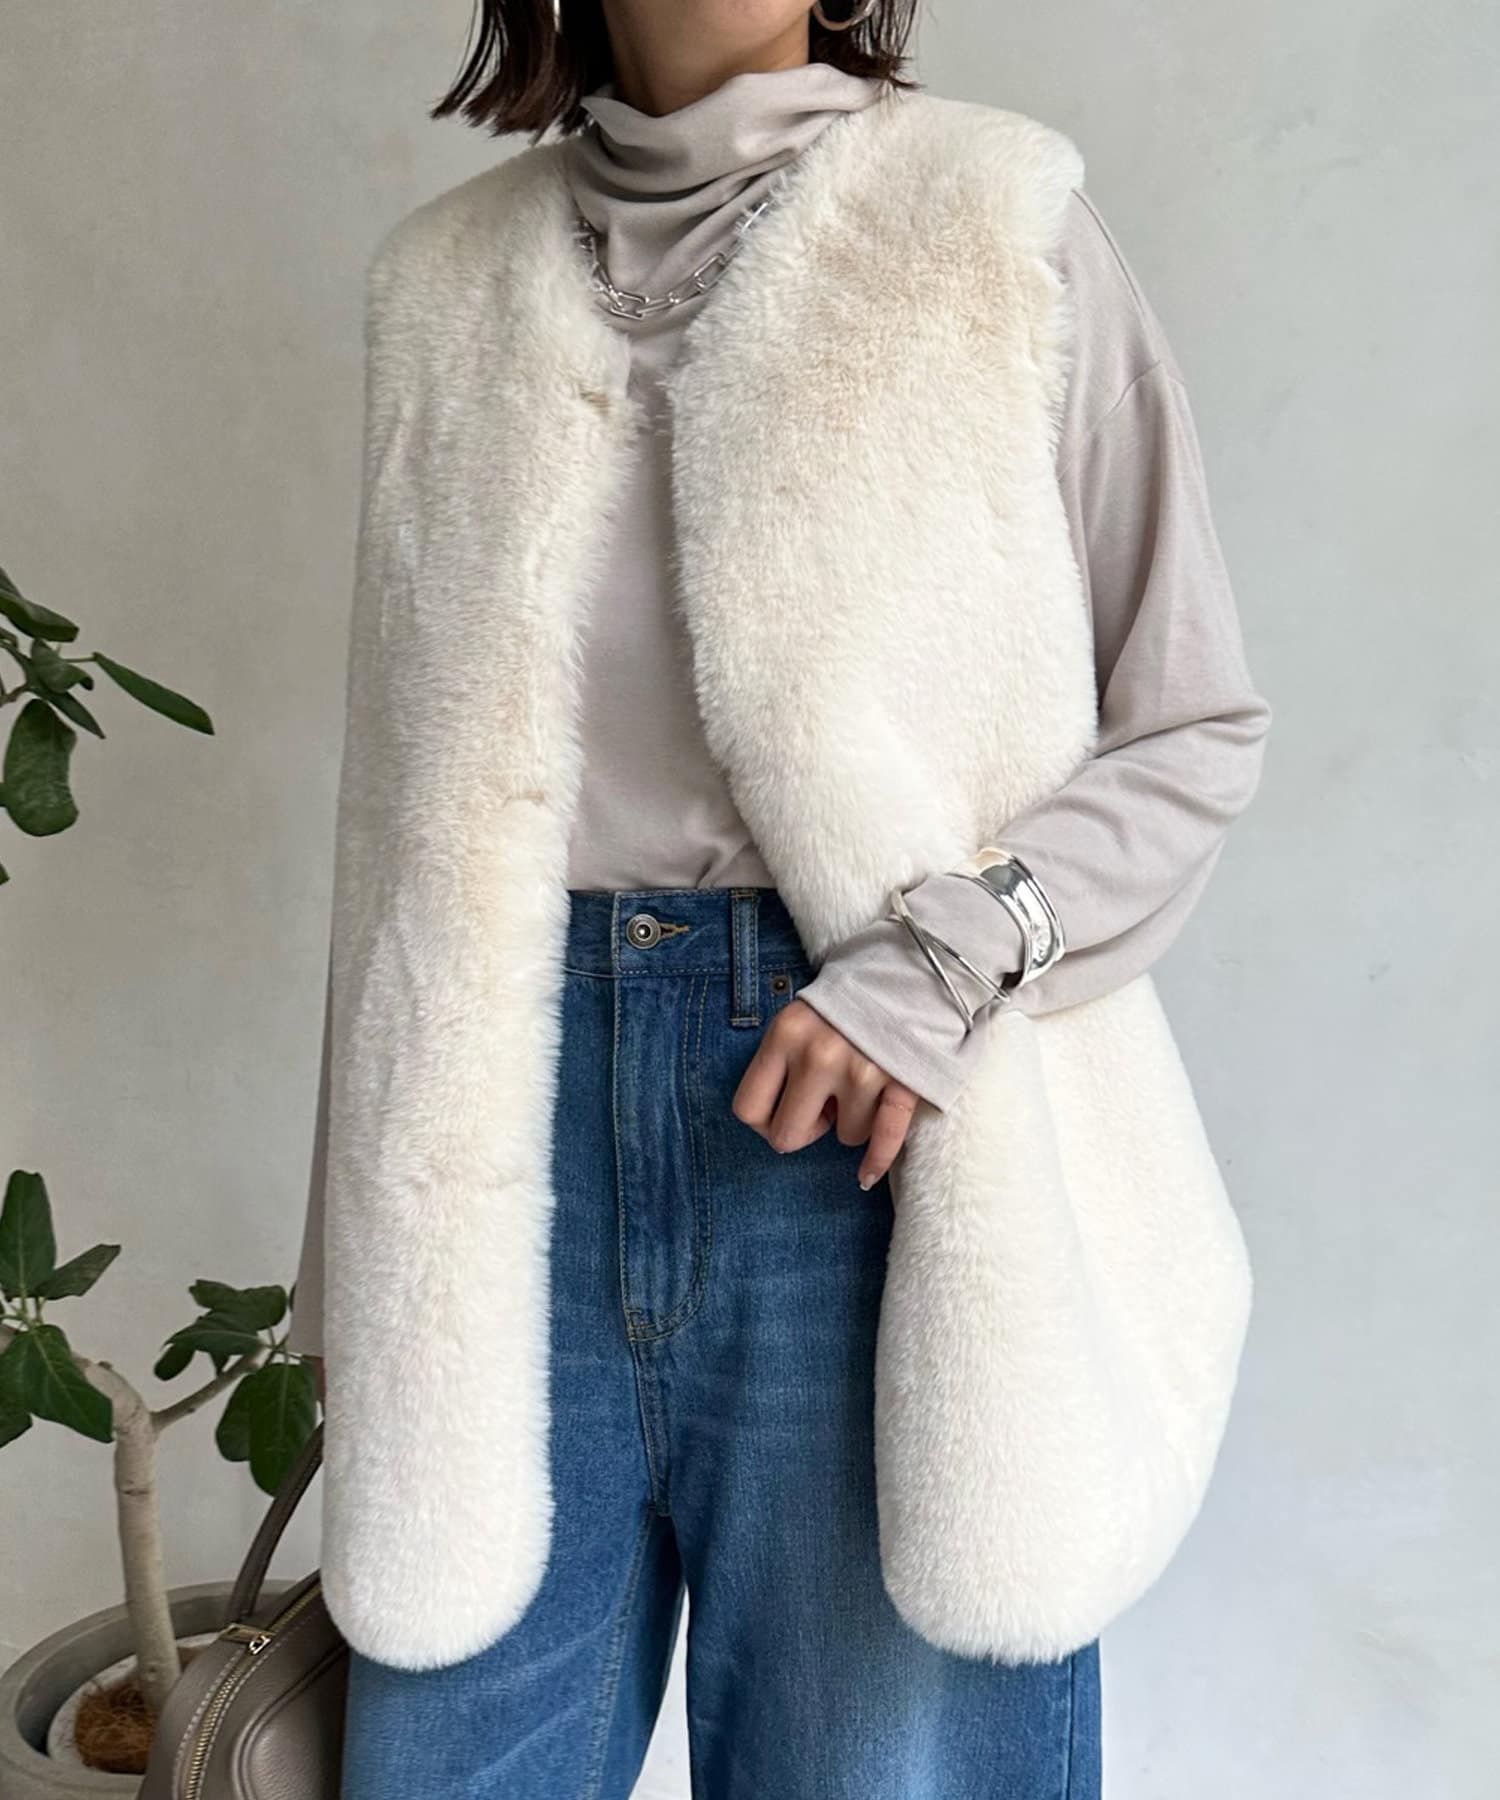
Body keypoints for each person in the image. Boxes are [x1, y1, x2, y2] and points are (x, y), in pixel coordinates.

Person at [287, 2, 1272, 1794]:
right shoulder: (442, 282)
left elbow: (1192, 725)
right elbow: (395, 839)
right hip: (496, 1162)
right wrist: (347, 1271)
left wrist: (932, 967)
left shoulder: (994, 217)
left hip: (877, 1136)